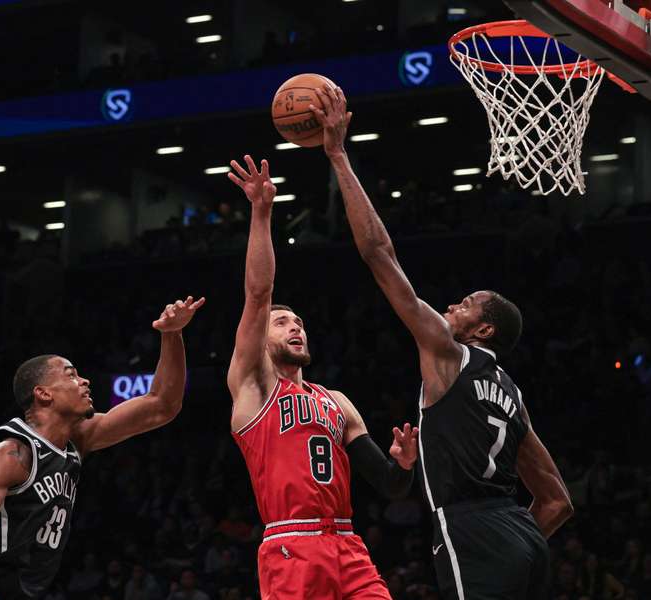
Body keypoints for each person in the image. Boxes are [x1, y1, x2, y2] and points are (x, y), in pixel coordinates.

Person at [311, 84, 574, 600]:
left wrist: (338, 155)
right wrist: (515, 546)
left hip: (471, 526)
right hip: (521, 538)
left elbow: (379, 254)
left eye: (467, 303)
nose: (453, 305)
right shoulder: (513, 395)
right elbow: (558, 502)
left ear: (484, 330)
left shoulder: (450, 355)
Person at [226, 154, 418, 599]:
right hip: (292, 543)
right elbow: (259, 293)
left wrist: (404, 465)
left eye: (299, 321)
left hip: (348, 543)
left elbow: (390, 486)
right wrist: (261, 210)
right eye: (282, 322)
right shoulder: (254, 387)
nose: (295, 326)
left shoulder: (337, 400)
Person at [0, 297, 204, 599]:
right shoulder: (12, 453)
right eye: (70, 375)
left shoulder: (77, 439)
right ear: (43, 394)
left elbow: (162, 406)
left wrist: (171, 334)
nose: (84, 381)